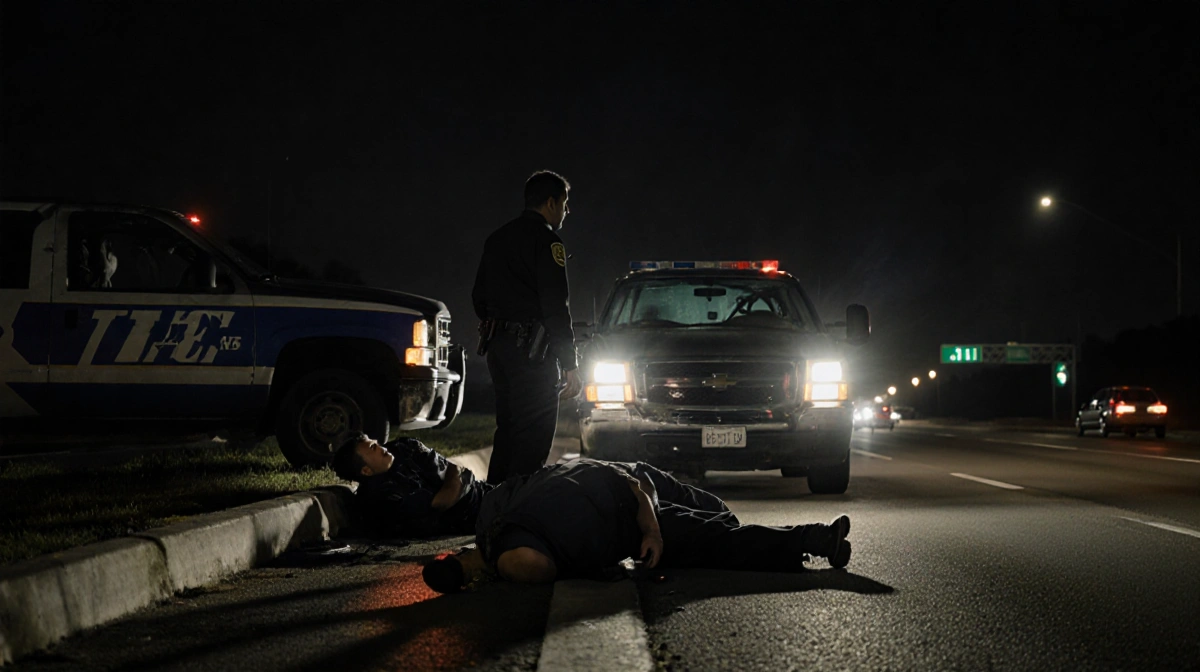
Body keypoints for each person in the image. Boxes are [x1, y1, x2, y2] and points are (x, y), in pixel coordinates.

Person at [421, 459, 852, 593]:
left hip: (628, 510)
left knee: (718, 524)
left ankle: (815, 538)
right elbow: (533, 564)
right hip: (619, 518)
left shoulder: (503, 532)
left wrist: (651, 533)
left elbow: (638, 491)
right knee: (719, 537)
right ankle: (816, 539)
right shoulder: (501, 523)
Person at [471, 170, 584, 485]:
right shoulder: (548, 242)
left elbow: (478, 297)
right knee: (533, 436)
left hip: (499, 349)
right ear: (551, 203)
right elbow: (556, 308)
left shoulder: (497, 238)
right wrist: (570, 363)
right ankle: (519, 513)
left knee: (507, 430)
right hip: (533, 354)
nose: (567, 211)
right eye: (565, 203)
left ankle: (491, 504)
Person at [332, 434, 493, 538]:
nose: (382, 448)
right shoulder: (383, 495)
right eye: (373, 448)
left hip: (484, 495)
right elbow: (443, 500)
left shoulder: (403, 447)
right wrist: (457, 477)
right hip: (481, 516)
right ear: (366, 471)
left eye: (377, 443)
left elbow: (450, 468)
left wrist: (456, 477)